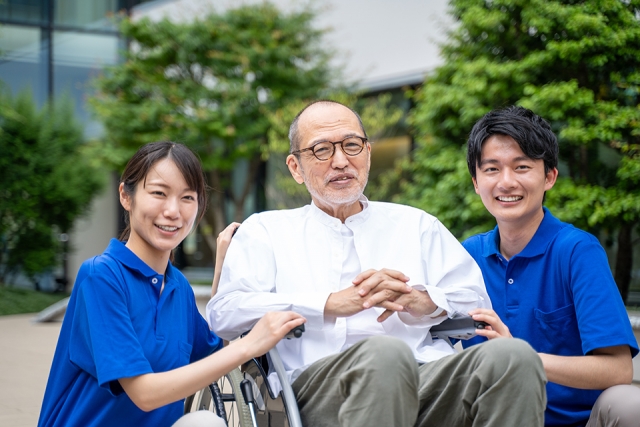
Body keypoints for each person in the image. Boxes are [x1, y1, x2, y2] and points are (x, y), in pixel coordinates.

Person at [207, 100, 547, 427]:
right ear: (296, 168)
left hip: (425, 379)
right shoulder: (266, 230)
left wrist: (420, 302)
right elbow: (224, 312)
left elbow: (475, 306)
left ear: (368, 154)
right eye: (322, 150)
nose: (340, 161)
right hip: (317, 388)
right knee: (383, 354)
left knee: (514, 357)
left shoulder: (416, 225)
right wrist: (328, 305)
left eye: (352, 145)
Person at [38, 141, 306, 427]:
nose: (173, 211)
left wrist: (222, 268)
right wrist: (251, 344)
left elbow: (215, 353)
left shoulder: (177, 287)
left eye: (187, 197)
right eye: (158, 193)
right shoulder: (101, 276)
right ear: (126, 197)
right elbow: (144, 393)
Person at [461, 106, 640, 427]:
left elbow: (618, 370)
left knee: (631, 405)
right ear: (476, 182)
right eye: (491, 169)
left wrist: (520, 357)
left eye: (522, 167)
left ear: (549, 177)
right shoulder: (466, 256)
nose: (506, 182)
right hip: (493, 417)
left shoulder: (576, 250)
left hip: (580, 421)